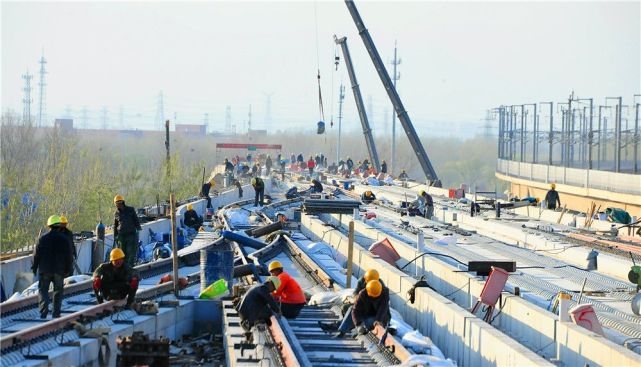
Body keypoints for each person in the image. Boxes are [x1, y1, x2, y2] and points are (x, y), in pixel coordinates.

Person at [319, 269, 384, 334]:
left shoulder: (380, 286)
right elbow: (356, 292)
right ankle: (345, 327)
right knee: (345, 307)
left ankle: (336, 327)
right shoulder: (362, 281)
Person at [32, 215, 74, 318]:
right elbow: (69, 256)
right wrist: (69, 269)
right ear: (60, 226)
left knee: (43, 290)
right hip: (59, 271)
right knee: (58, 291)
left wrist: (34, 267)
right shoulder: (64, 239)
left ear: (48, 226)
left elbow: (36, 254)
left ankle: (43, 310)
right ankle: (56, 313)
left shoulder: (42, 239)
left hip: (45, 270)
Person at [113, 195, 142, 268]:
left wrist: (138, 229)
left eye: (120, 202)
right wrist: (115, 235)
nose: (118, 204)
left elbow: (136, 220)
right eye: (117, 203)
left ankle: (130, 267)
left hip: (131, 235)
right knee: (122, 253)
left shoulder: (130, 210)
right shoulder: (116, 213)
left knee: (130, 252)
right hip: (121, 236)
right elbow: (115, 225)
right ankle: (124, 268)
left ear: (123, 202)